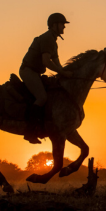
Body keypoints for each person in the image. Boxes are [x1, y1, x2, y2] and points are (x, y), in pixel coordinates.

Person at [20, 13, 73, 144]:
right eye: (62, 24)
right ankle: (30, 132)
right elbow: (46, 61)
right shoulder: (47, 38)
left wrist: (66, 73)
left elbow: (57, 63)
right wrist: (62, 72)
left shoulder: (53, 42)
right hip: (28, 71)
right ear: (54, 25)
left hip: (35, 72)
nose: (64, 28)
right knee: (42, 97)